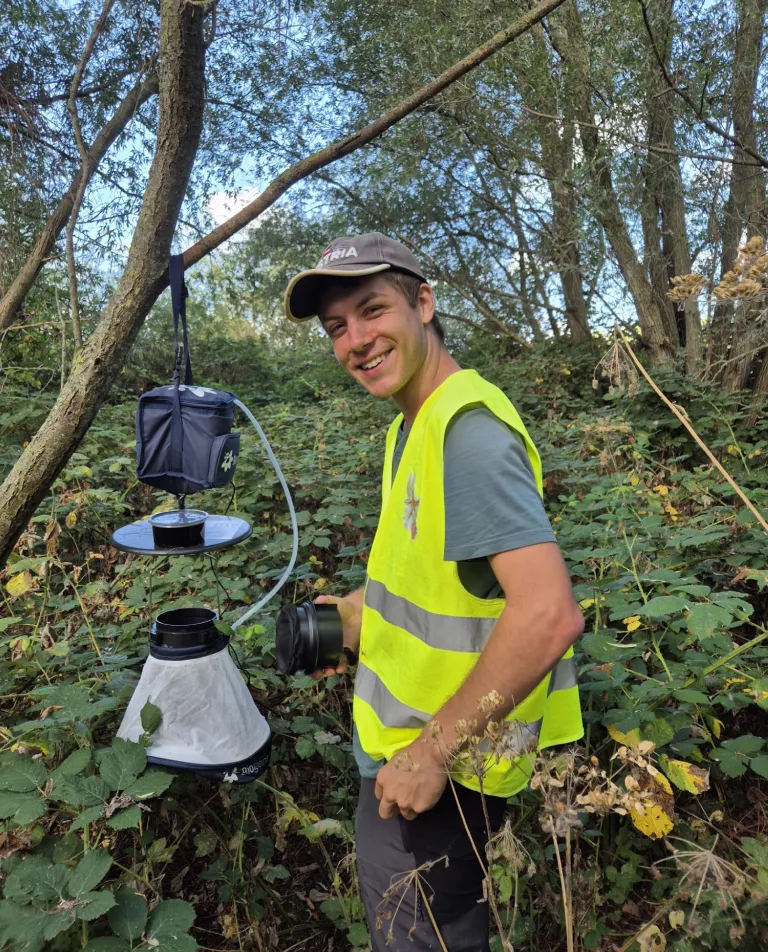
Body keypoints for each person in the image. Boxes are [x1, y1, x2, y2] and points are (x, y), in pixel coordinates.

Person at [283, 233, 584, 951]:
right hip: (405, 754)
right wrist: (355, 616)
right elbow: (431, 583)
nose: (356, 339)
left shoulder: (467, 436)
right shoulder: (410, 427)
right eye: (336, 328)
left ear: (423, 302)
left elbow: (549, 615)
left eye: (372, 310)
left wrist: (433, 753)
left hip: (446, 776)